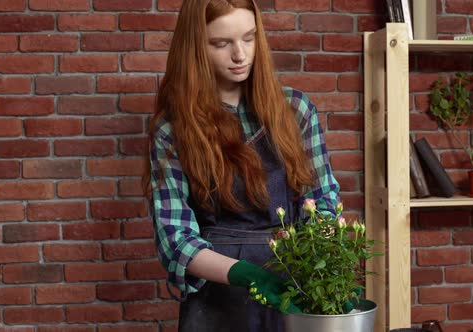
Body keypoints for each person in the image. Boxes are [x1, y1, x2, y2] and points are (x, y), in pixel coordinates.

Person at [144, 0, 340, 330]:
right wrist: (244, 273)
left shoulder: (295, 110)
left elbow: (322, 200)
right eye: (221, 43)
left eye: (249, 38)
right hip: (218, 295)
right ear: (195, 48)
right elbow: (174, 237)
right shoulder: (175, 130)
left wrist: (326, 269)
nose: (240, 55)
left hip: (292, 284)